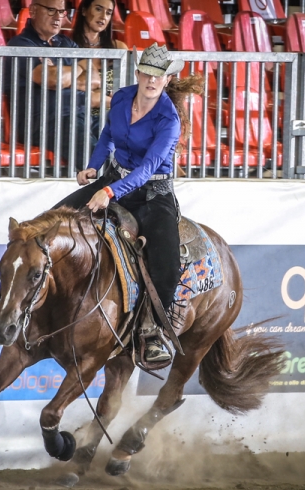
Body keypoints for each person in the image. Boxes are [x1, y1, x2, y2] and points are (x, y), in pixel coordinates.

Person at [55, 43, 201, 364]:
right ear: (137, 73)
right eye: (147, 73)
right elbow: (108, 134)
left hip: (152, 194)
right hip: (113, 178)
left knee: (166, 262)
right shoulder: (121, 97)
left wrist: (108, 193)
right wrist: (94, 166)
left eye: (158, 76)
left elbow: (148, 168)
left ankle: (154, 332)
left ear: (166, 80)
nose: (151, 81)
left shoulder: (168, 119)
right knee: (58, 218)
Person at [5, 0, 98, 169]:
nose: (57, 17)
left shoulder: (66, 43)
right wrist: (79, 67)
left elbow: (95, 78)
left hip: (83, 115)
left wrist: (65, 75)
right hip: (47, 122)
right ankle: (115, 191)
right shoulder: (21, 44)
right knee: (97, 157)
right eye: (51, 10)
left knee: (123, 136)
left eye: (61, 12)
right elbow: (52, 80)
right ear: (33, 11)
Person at [71, 0, 127, 122]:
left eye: (108, 13)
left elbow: (129, 90)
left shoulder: (119, 48)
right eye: (98, 9)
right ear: (84, 11)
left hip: (113, 117)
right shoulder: (67, 46)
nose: (103, 17)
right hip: (78, 117)